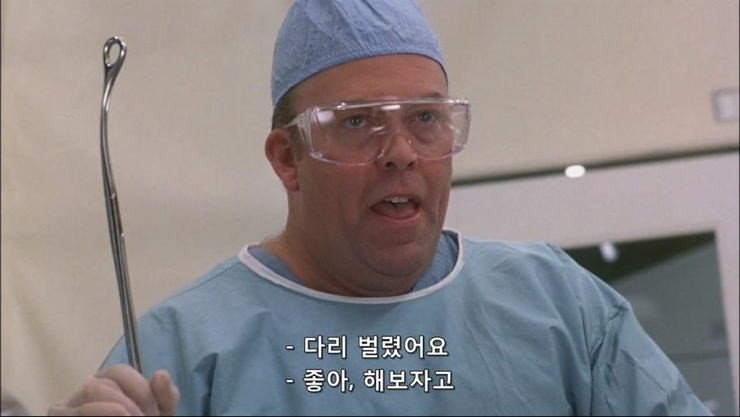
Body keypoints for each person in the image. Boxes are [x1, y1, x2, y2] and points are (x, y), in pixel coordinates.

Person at [49, 1, 711, 415]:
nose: (400, 153)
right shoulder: (184, 353)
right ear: (288, 159)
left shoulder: (562, 310)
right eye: (357, 121)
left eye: (425, 118)